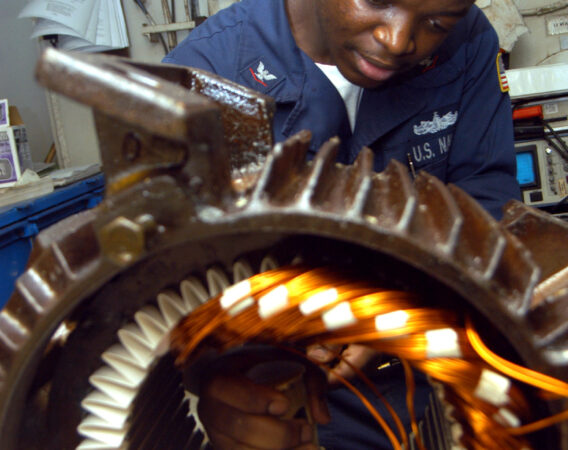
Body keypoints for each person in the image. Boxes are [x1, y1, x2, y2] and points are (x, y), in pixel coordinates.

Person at [163, 0, 521, 448]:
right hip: (297, 397)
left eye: (435, 23)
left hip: (443, 371)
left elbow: (487, 194)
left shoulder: (467, 39)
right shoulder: (208, 73)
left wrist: (401, 306)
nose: (397, 41)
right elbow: (169, 287)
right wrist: (229, 374)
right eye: (377, 1)